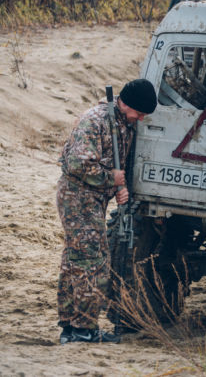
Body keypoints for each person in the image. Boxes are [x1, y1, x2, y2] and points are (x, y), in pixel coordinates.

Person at [56, 79, 156, 344]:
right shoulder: (96, 120)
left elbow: (112, 164)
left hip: (92, 199)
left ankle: (70, 326)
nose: (142, 118)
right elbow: (78, 164)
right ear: (125, 104)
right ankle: (83, 329)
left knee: (75, 261)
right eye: (140, 112)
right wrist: (111, 179)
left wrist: (116, 188)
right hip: (78, 198)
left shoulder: (123, 123)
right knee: (93, 262)